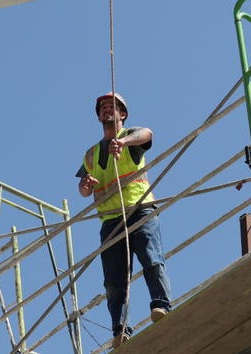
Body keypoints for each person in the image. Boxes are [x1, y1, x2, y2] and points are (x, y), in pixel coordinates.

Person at [75, 92, 172, 349]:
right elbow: (83, 190)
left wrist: (126, 142)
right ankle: (120, 329)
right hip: (110, 220)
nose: (107, 110)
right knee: (114, 280)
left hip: (139, 208)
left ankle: (161, 304)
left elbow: (148, 134)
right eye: (103, 107)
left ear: (123, 114)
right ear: (98, 116)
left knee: (151, 258)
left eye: (113, 107)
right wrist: (85, 185)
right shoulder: (91, 154)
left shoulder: (133, 136)